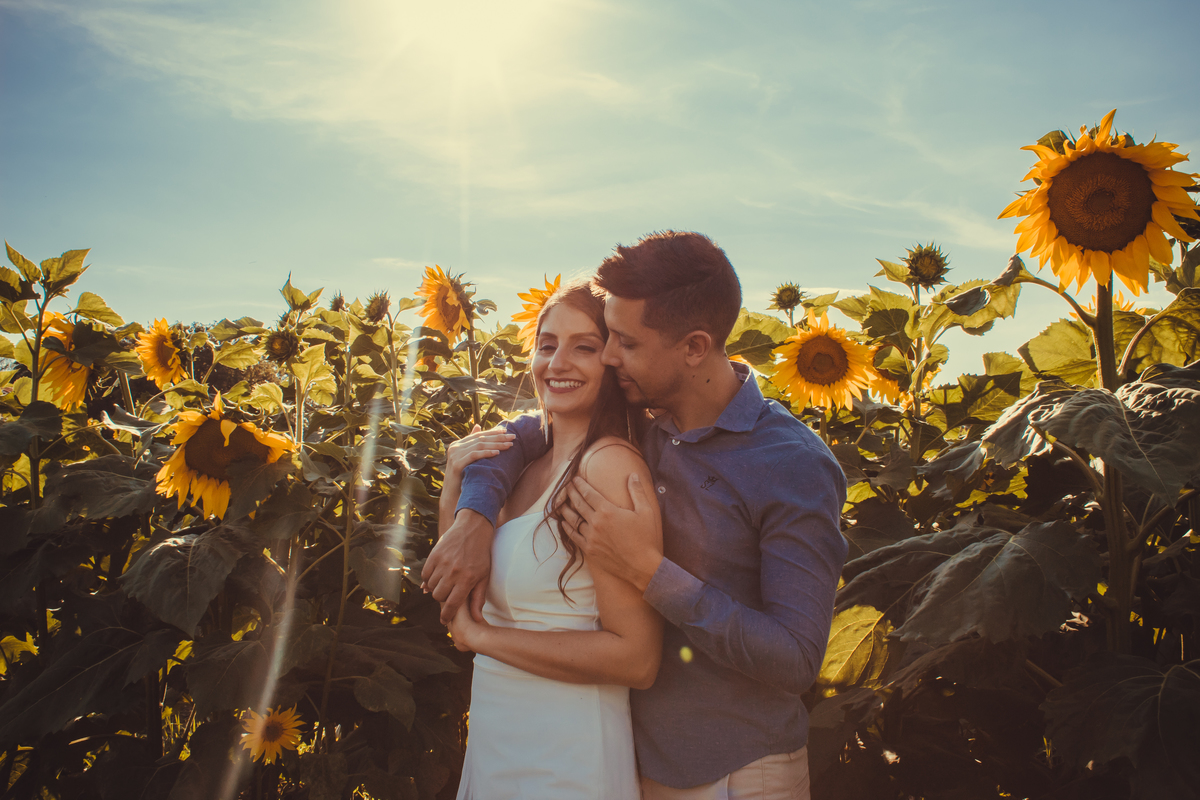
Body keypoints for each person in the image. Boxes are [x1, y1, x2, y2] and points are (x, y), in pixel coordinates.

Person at [424, 230, 848, 799]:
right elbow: (526, 434)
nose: (607, 355)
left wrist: (649, 572)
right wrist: (474, 513)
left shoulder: (790, 464)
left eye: (621, 341)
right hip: (631, 762)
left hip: (737, 772)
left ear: (694, 347)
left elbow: (796, 659)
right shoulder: (642, 419)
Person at [438, 279, 663, 800]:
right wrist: (454, 483)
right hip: (498, 741)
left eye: (584, 346)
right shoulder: (527, 466)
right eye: (547, 344)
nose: (558, 363)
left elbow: (637, 659)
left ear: (613, 360)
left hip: (567, 756)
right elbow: (457, 586)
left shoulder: (607, 467)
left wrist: (483, 640)